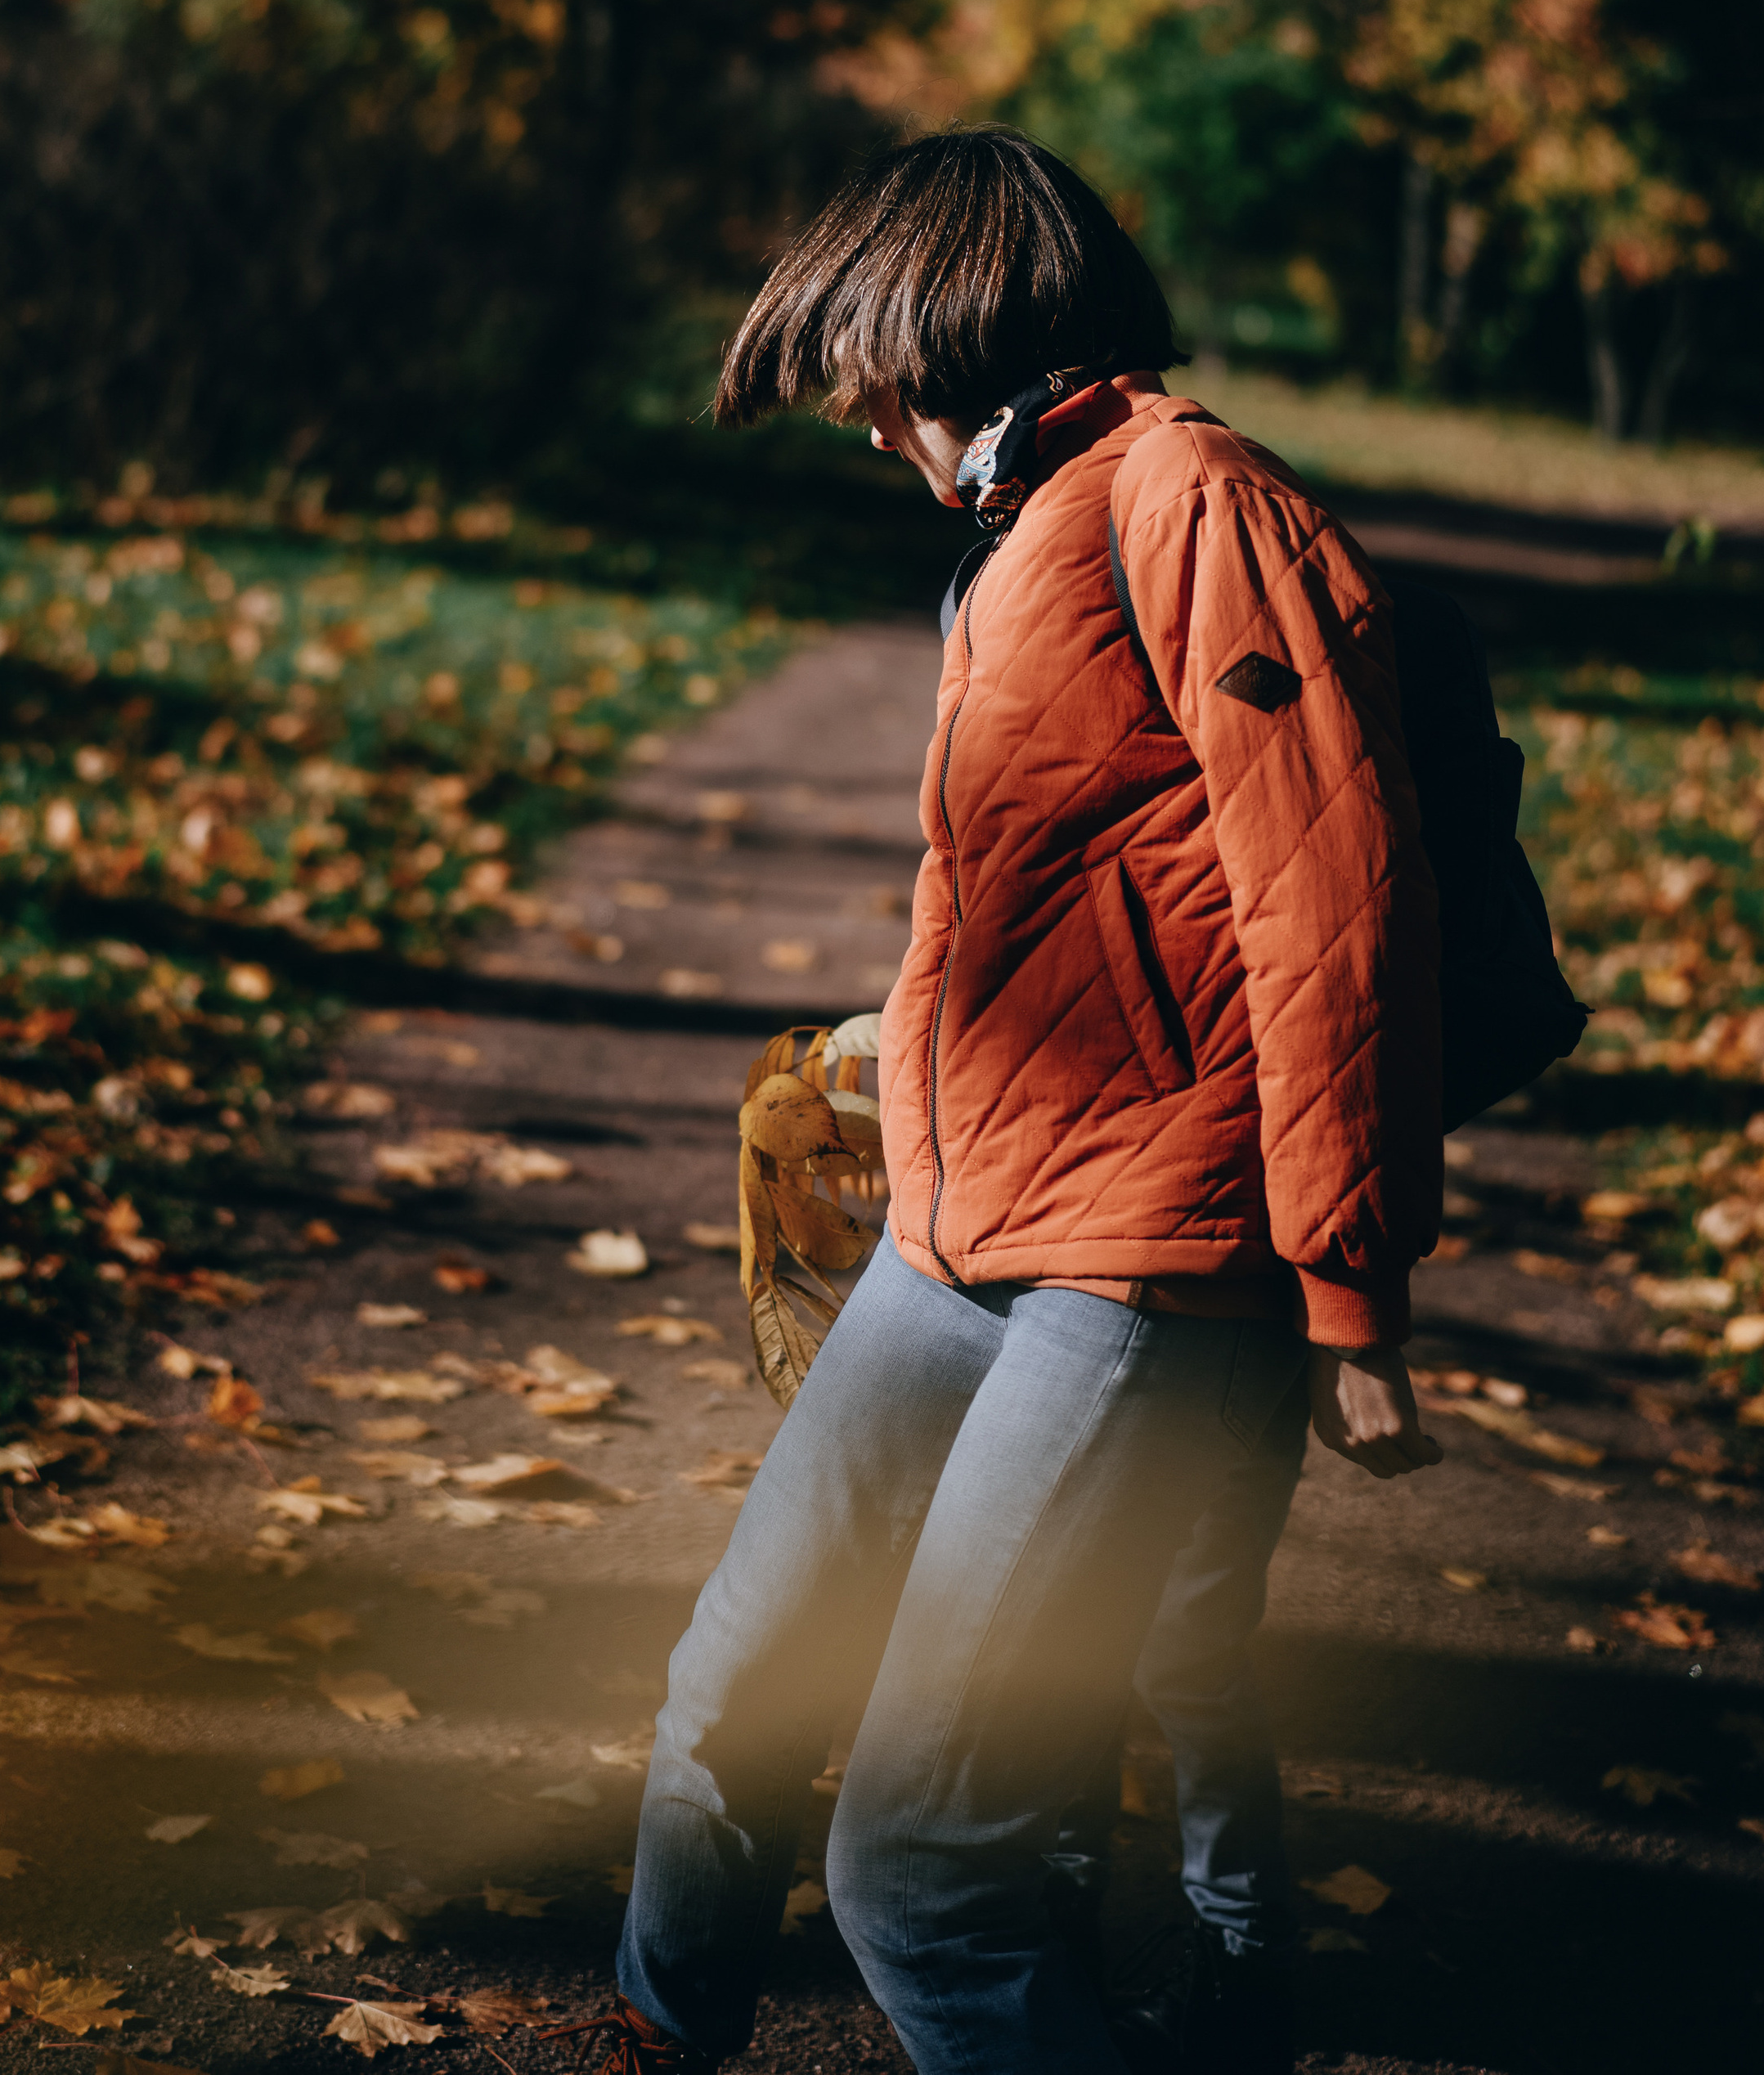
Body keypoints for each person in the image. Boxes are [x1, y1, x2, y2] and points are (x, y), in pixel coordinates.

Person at [572, 129, 1443, 2075]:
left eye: (860, 379)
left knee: (924, 1863)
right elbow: (1024, 883)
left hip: (1146, 1262)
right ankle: (659, 2029)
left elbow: (1333, 903)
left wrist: (1349, 1291)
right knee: (735, 1680)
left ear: (939, 324)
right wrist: (887, 1053)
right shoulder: (1021, 526)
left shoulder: (1189, 497)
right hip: (964, 1230)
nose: (855, 426)